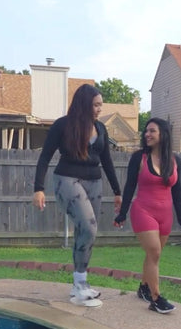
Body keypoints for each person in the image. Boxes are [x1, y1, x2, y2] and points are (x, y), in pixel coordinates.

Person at [33, 84, 122, 307]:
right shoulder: (63, 125)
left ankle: (80, 283)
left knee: (87, 233)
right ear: (84, 104)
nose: (100, 109)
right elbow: (45, 157)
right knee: (89, 227)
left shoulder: (101, 128)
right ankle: (79, 285)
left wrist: (118, 192)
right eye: (96, 105)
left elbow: (108, 162)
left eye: (101, 105)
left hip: (94, 182)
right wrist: (38, 188)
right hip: (67, 180)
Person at [114, 118, 181, 314]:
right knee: (154, 252)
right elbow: (130, 186)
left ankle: (144, 287)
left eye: (152, 131)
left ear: (162, 134)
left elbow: (177, 191)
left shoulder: (175, 161)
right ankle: (156, 298)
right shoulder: (139, 158)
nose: (147, 134)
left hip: (165, 215)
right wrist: (122, 213)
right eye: (146, 131)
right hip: (143, 211)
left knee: (153, 255)